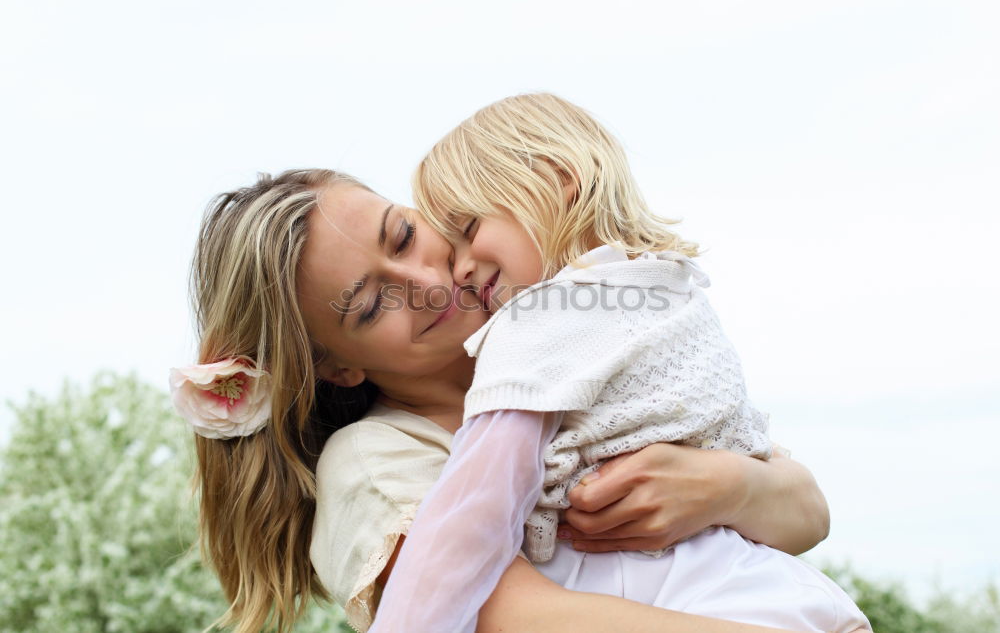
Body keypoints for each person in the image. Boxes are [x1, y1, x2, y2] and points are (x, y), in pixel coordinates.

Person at [170, 168, 836, 633]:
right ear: (336, 367)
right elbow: (513, 620)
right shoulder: (375, 463)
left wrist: (726, 488)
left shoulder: (563, 337)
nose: (427, 281)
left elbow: (807, 513)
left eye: (404, 235)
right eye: (372, 305)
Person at [369, 94, 870, 632]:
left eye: (468, 230)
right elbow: (775, 476)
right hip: (772, 592)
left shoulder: (540, 320)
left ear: (558, 178)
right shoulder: (666, 288)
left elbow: (473, 509)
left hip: (699, 602)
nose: (461, 269)